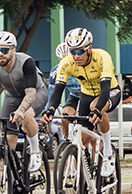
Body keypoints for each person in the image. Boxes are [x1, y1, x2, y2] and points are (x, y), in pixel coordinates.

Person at [41, 27, 121, 177]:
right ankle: (85, 175)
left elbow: (105, 88)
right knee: (83, 139)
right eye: (73, 52)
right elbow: (58, 90)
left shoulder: (102, 57)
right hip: (87, 94)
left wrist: (97, 109)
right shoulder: (66, 63)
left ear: (89, 49)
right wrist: (50, 109)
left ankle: (108, 151)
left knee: (96, 107)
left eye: (80, 52)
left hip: (109, 91)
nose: (76, 56)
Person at [0, 31, 47, 173]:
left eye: (4, 50)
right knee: (9, 136)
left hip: (36, 93)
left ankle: (35, 152)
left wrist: (20, 111)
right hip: (12, 97)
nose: (0, 54)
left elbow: (31, 93)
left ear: (13, 50)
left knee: (27, 116)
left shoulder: (26, 62)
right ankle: (11, 173)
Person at [47, 42, 81, 141]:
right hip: (74, 95)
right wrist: (49, 111)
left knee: (85, 122)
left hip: (89, 94)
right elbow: (52, 94)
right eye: (62, 61)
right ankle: (68, 141)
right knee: (65, 117)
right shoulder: (55, 72)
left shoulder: (82, 67)